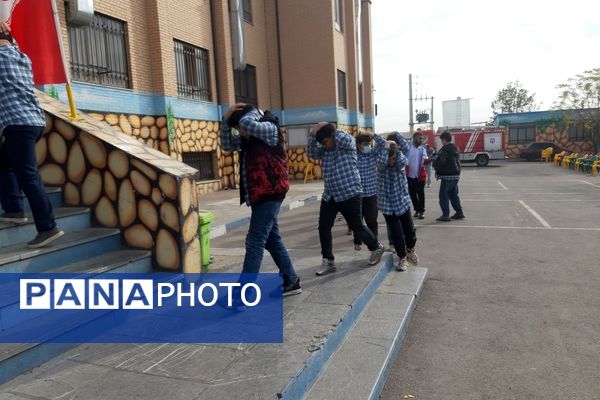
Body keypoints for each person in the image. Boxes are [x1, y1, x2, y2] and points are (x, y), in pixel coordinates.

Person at [221, 103, 301, 296]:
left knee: (255, 240)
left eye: (239, 127)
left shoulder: (269, 129)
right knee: (272, 239)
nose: (239, 132)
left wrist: (250, 112)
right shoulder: (248, 139)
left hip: (271, 193)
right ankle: (291, 280)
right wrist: (226, 121)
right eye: (237, 128)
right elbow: (226, 145)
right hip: (260, 195)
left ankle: (242, 294)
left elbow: (248, 125)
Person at [0, 22, 64, 248]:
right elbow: (10, 42)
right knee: (5, 162)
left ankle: (47, 227)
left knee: (28, 176)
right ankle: (14, 209)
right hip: (35, 122)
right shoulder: (22, 57)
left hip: (18, 125)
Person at [307, 123, 384, 276]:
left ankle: (376, 247)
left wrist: (326, 126)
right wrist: (312, 134)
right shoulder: (325, 150)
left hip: (350, 193)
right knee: (323, 227)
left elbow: (344, 138)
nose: (323, 146)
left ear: (332, 136)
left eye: (325, 142)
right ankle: (328, 260)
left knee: (357, 227)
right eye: (321, 143)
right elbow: (311, 153)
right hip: (330, 195)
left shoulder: (347, 144)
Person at [378, 133, 418, 271]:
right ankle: (402, 258)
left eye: (393, 158)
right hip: (387, 205)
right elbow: (381, 163)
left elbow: (405, 149)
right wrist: (385, 146)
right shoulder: (381, 164)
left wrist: (395, 137)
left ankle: (410, 250)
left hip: (401, 201)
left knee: (409, 230)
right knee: (396, 233)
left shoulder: (400, 161)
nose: (391, 161)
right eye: (390, 159)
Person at [353, 131, 386, 251]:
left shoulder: (372, 154)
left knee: (372, 220)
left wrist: (373, 135)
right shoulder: (353, 155)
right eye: (364, 144)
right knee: (357, 221)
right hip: (358, 195)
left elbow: (383, 144)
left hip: (372, 194)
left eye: (368, 143)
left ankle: (375, 244)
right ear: (358, 145)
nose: (367, 146)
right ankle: (357, 242)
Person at [433, 131, 465, 222]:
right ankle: (459, 212)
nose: (441, 142)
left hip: (447, 176)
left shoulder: (445, 149)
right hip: (455, 175)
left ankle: (446, 215)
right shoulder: (455, 148)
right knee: (453, 195)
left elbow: (442, 162)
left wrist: (437, 170)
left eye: (441, 140)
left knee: (443, 196)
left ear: (444, 139)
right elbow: (457, 162)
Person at [406, 132, 428, 219]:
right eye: (420, 138)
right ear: (415, 138)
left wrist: (429, 160)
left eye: (422, 138)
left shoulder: (422, 149)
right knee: (412, 193)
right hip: (410, 175)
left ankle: (422, 211)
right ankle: (417, 209)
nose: (421, 140)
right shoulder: (408, 148)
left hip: (420, 176)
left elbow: (425, 160)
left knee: (420, 192)